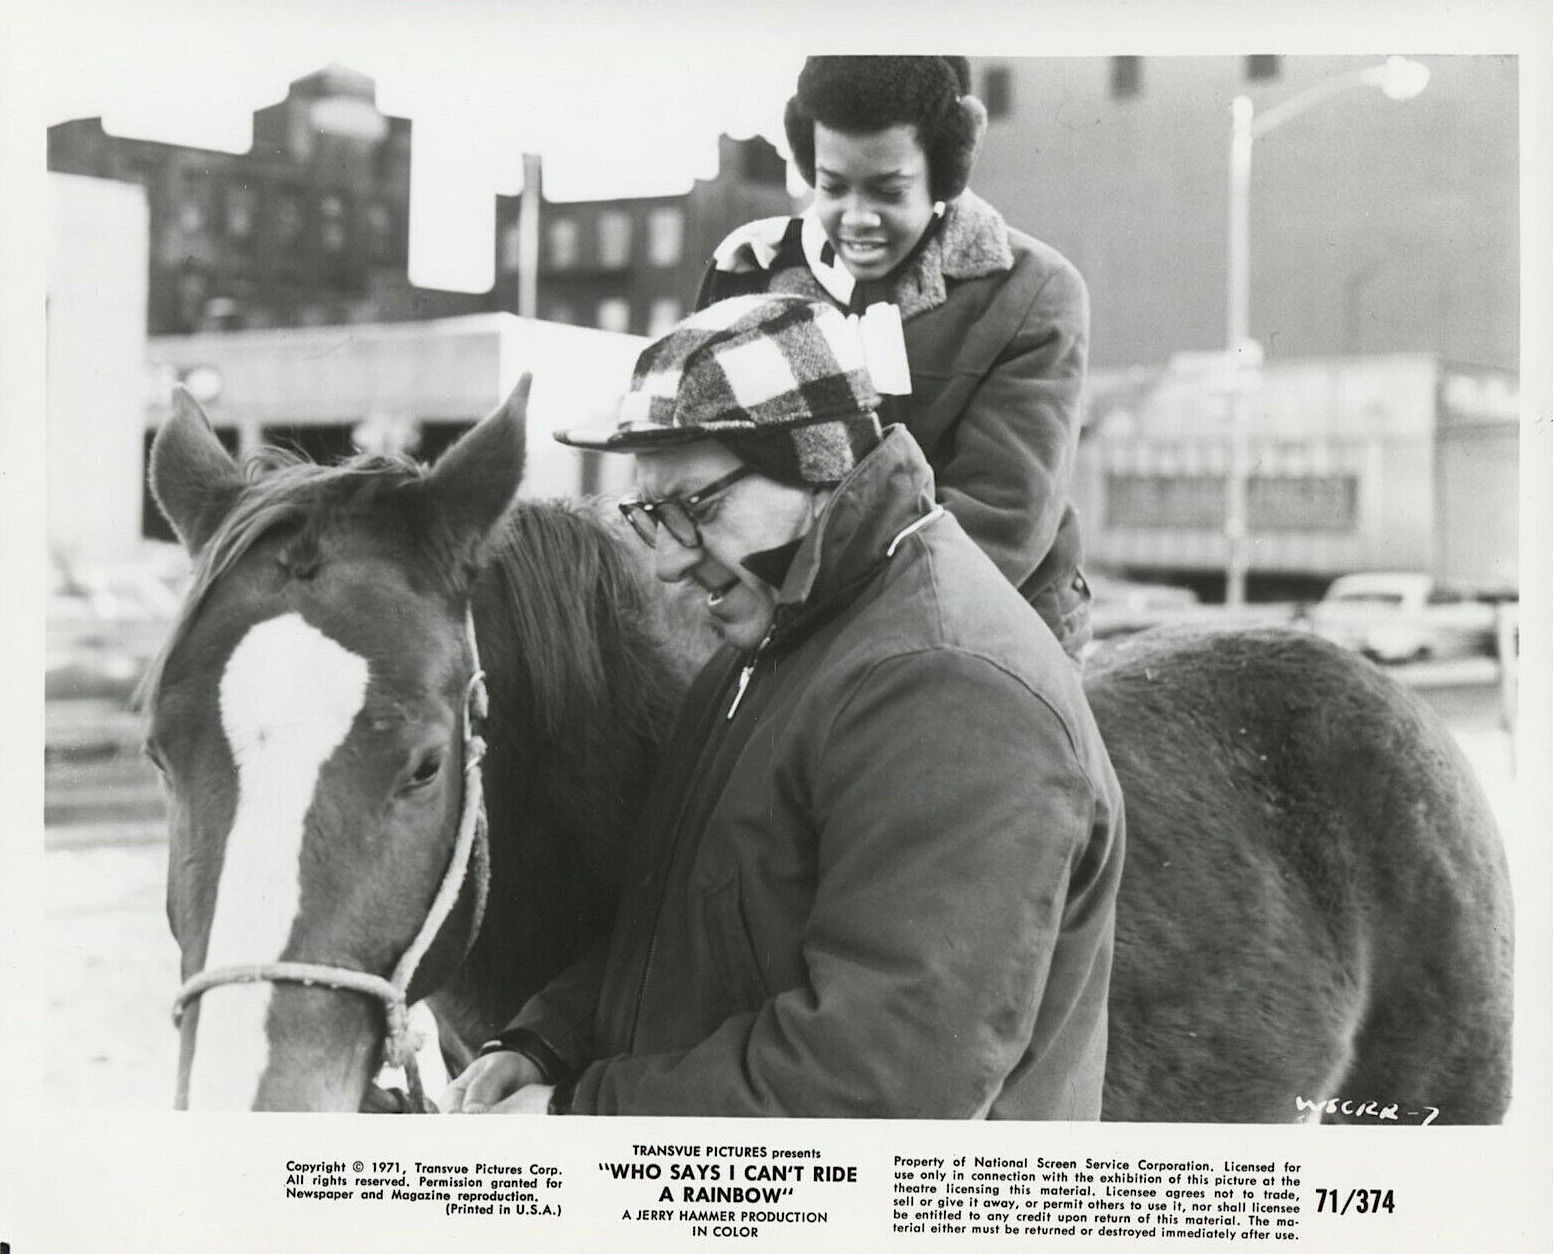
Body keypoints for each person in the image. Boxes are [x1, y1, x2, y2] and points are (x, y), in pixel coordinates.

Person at [443, 295, 1123, 1118]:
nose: (666, 563)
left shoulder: (947, 686)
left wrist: (577, 1118)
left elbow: (883, 1084)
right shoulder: (782, 640)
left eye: (696, 509)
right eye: (651, 516)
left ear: (821, 466)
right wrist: (543, 1039)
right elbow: (681, 933)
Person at [698, 55, 1094, 659]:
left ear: (946, 172)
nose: (856, 219)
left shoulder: (1036, 291)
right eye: (832, 187)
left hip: (990, 622)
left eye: (888, 191)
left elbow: (1002, 523)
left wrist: (825, 629)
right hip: (790, 623)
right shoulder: (751, 274)